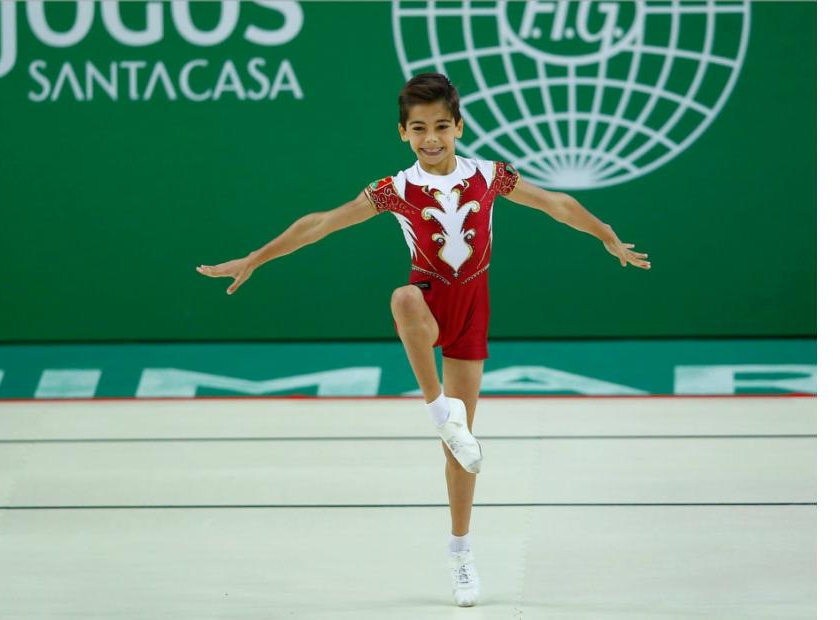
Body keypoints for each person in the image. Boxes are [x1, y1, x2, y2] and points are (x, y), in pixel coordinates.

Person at [196, 72, 650, 607]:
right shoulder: (395, 189)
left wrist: (606, 236)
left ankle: (460, 552)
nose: (431, 138)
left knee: (461, 452)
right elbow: (320, 224)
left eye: (440, 126)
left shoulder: (490, 176)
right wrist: (256, 258)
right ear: (402, 133)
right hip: (430, 303)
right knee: (403, 298)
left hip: (472, 310)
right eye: (418, 128)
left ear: (458, 126)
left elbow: (557, 203)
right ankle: (437, 408)